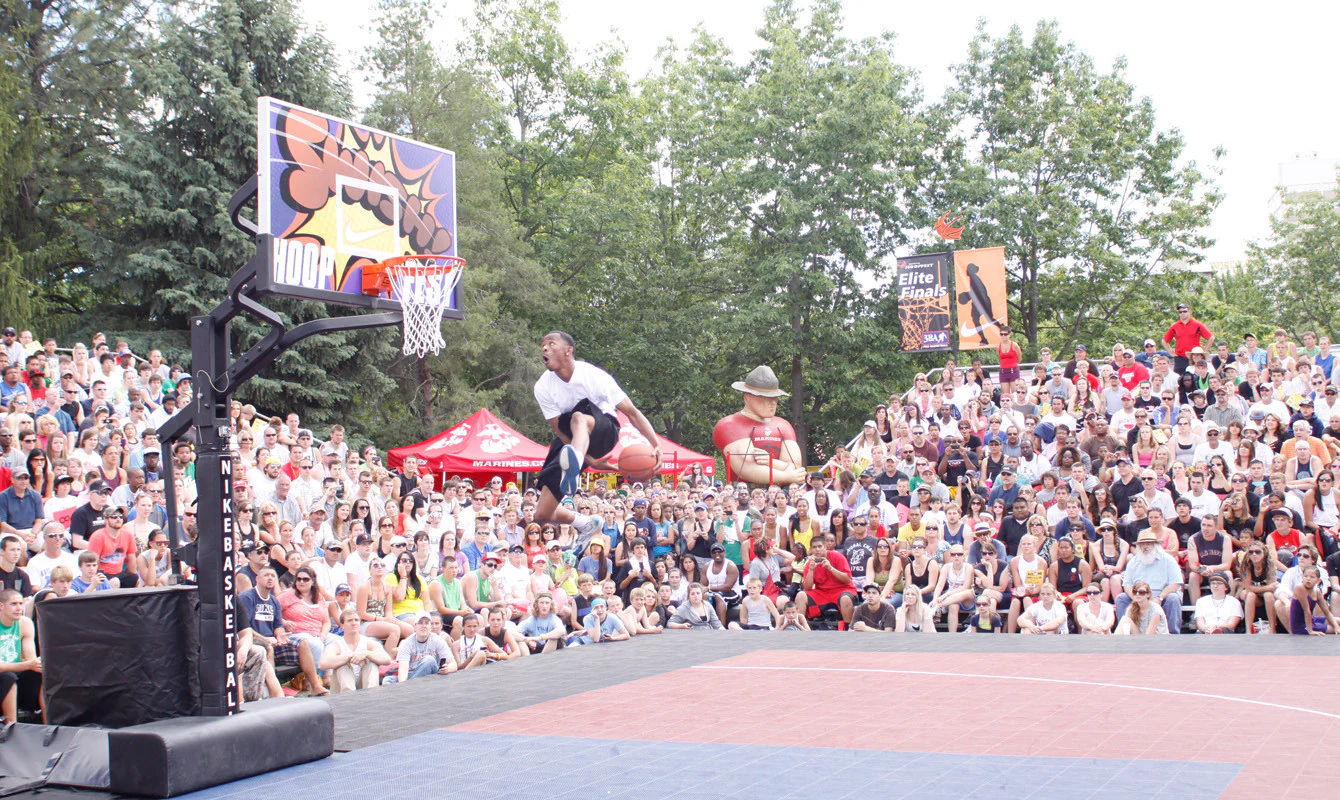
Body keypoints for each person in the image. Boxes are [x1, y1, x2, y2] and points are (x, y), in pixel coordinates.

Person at [532, 332, 659, 551]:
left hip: (604, 430)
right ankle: (586, 523)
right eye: (542, 345)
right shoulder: (542, 387)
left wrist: (657, 444)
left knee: (578, 416)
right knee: (541, 514)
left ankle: (574, 463)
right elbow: (559, 430)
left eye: (551, 344)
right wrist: (589, 460)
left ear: (568, 350)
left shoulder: (593, 376)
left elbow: (632, 412)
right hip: (572, 441)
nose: (544, 348)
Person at [713, 366, 808, 486]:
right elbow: (746, 467)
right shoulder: (729, 425)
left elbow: (795, 466)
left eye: (775, 398)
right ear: (747, 398)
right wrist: (786, 475)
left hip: (780, 494)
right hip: (744, 493)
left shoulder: (783, 425)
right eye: (765, 398)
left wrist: (770, 462)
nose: (772, 403)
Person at [1116, 530, 1184, 633]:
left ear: (1155, 545)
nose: (1145, 547)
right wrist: (1136, 598)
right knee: (1121, 598)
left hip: (1162, 596)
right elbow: (1127, 585)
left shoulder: (1168, 560)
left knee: (1173, 598)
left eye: (1148, 544)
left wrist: (1159, 598)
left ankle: (1173, 634)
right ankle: (1124, 632)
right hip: (1139, 595)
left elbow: (1175, 584)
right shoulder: (1133, 562)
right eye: (1142, 544)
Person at [320, 608, 391, 692]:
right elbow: (323, 664)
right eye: (349, 621)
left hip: (363, 682)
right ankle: (349, 697)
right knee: (341, 666)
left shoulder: (369, 643)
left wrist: (366, 654)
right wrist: (349, 658)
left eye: (356, 620)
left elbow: (387, 659)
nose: (354, 623)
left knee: (371, 664)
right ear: (342, 625)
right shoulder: (336, 645)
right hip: (341, 688)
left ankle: (371, 695)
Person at [0, 588, 41, 723]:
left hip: (15, 671)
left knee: (41, 671)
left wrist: (33, 664)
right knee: (8, 678)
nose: (19, 608)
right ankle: (11, 728)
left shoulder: (25, 623)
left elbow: (31, 659)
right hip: (5, 676)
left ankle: (50, 725)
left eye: (20, 604)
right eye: (13, 604)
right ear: (1, 606)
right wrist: (26, 664)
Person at [384, 611, 456, 683]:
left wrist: (447, 669)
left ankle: (410, 686)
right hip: (412, 674)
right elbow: (403, 669)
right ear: (415, 626)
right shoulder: (407, 643)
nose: (424, 626)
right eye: (420, 623)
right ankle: (410, 685)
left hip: (433, 676)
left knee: (429, 660)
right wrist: (403, 684)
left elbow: (453, 664)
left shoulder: (437, 640)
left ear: (430, 627)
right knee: (387, 680)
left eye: (426, 623)